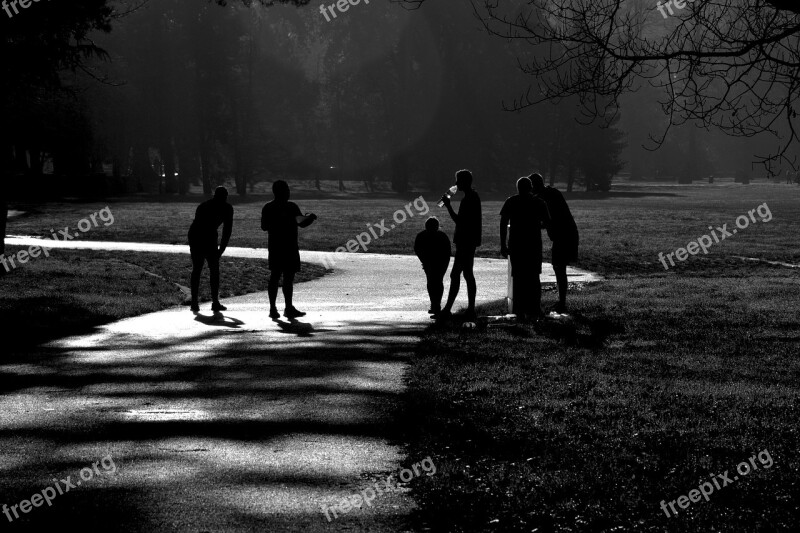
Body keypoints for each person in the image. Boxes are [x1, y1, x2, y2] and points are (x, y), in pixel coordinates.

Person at [261, 180, 317, 319]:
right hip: (290, 246)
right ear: (284, 191)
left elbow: (264, 226)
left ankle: (273, 308)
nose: (288, 192)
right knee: (288, 278)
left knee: (275, 276)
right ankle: (288, 307)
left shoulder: (268, 207)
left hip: (275, 246)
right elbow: (301, 224)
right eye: (287, 190)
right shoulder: (291, 207)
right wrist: (310, 218)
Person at [500, 176, 551, 321]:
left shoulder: (511, 201)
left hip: (516, 244)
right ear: (531, 188)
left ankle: (519, 309)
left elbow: (503, 223)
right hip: (533, 244)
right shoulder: (539, 203)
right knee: (534, 277)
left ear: (518, 188)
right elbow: (548, 222)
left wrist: (503, 244)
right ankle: (534, 308)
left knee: (518, 277)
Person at [531, 173, 579, 313]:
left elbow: (548, 219)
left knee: (559, 267)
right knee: (559, 268)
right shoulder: (551, 193)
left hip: (564, 235)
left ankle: (562, 303)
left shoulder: (546, 197)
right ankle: (561, 302)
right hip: (564, 234)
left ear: (535, 186)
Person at [439, 169, 482, 321]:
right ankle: (469, 309)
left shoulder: (469, 199)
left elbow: (460, 221)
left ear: (465, 182)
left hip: (466, 241)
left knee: (458, 274)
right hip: (468, 240)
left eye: (458, 180)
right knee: (467, 274)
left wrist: (448, 206)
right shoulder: (472, 196)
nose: (456, 184)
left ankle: (449, 309)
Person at [188, 186, 234, 313]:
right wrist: (220, 250)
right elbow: (226, 231)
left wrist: (220, 249)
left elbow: (226, 231)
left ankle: (200, 302)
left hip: (201, 235)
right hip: (201, 235)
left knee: (202, 268)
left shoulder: (206, 205)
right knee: (205, 268)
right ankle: (204, 302)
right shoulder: (225, 208)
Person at [414, 216, 452, 317]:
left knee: (432, 282)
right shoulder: (442, 236)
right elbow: (448, 251)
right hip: (437, 262)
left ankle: (435, 304)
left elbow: (417, 249)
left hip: (433, 262)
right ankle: (436, 304)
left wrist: (424, 261)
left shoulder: (421, 236)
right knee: (436, 282)